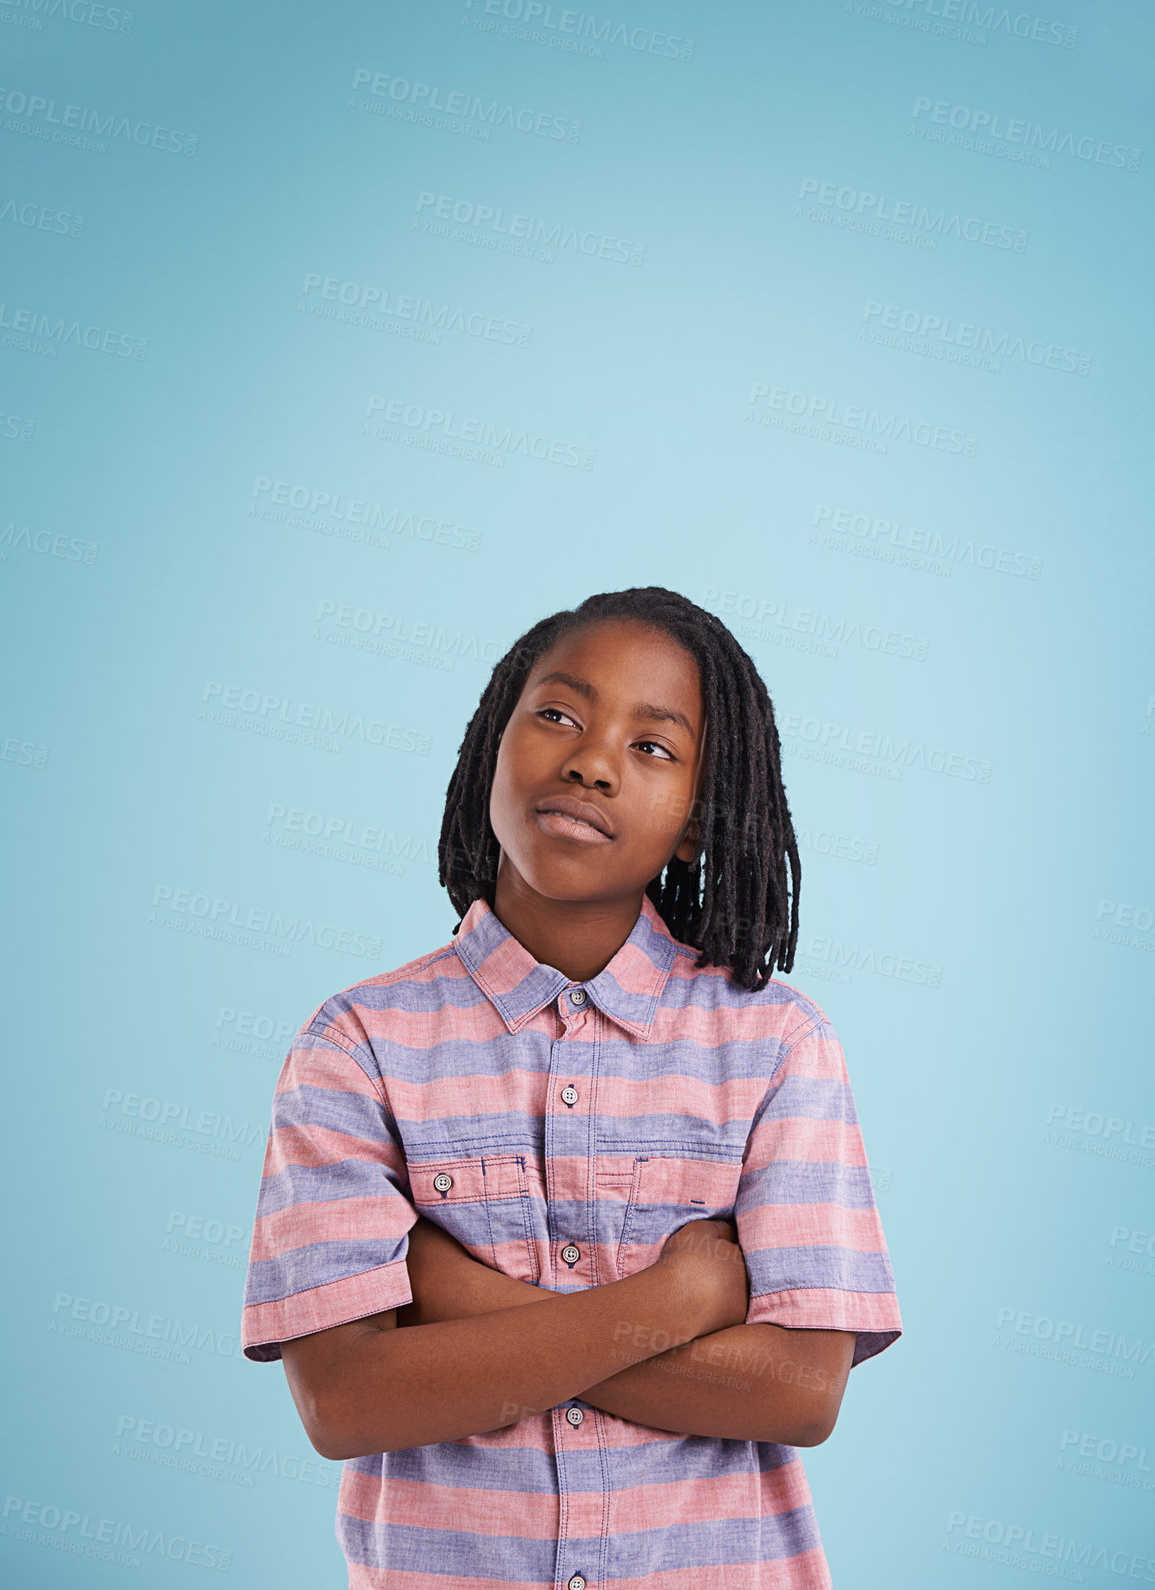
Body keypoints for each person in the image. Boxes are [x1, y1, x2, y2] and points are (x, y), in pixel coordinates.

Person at [241, 585, 902, 1589]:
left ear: (693, 822)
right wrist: (684, 1299)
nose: (592, 760)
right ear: (488, 750)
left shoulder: (776, 1046)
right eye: (558, 715)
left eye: (654, 747)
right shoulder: (357, 1047)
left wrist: (459, 1299)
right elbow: (345, 1402)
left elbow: (799, 1392)